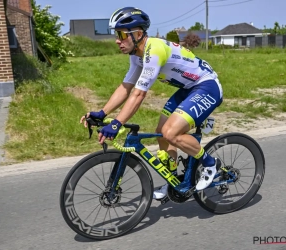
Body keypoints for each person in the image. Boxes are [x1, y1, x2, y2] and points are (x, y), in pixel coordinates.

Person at [80, 7, 223, 200]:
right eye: (117, 34)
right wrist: (102, 113)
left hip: (207, 86)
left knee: (171, 133)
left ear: (138, 34)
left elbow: (139, 95)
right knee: (161, 134)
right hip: (189, 89)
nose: (117, 40)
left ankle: (210, 163)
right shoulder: (136, 56)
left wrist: (117, 123)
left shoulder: (153, 50)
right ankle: (174, 181)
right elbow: (126, 87)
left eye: (122, 35)